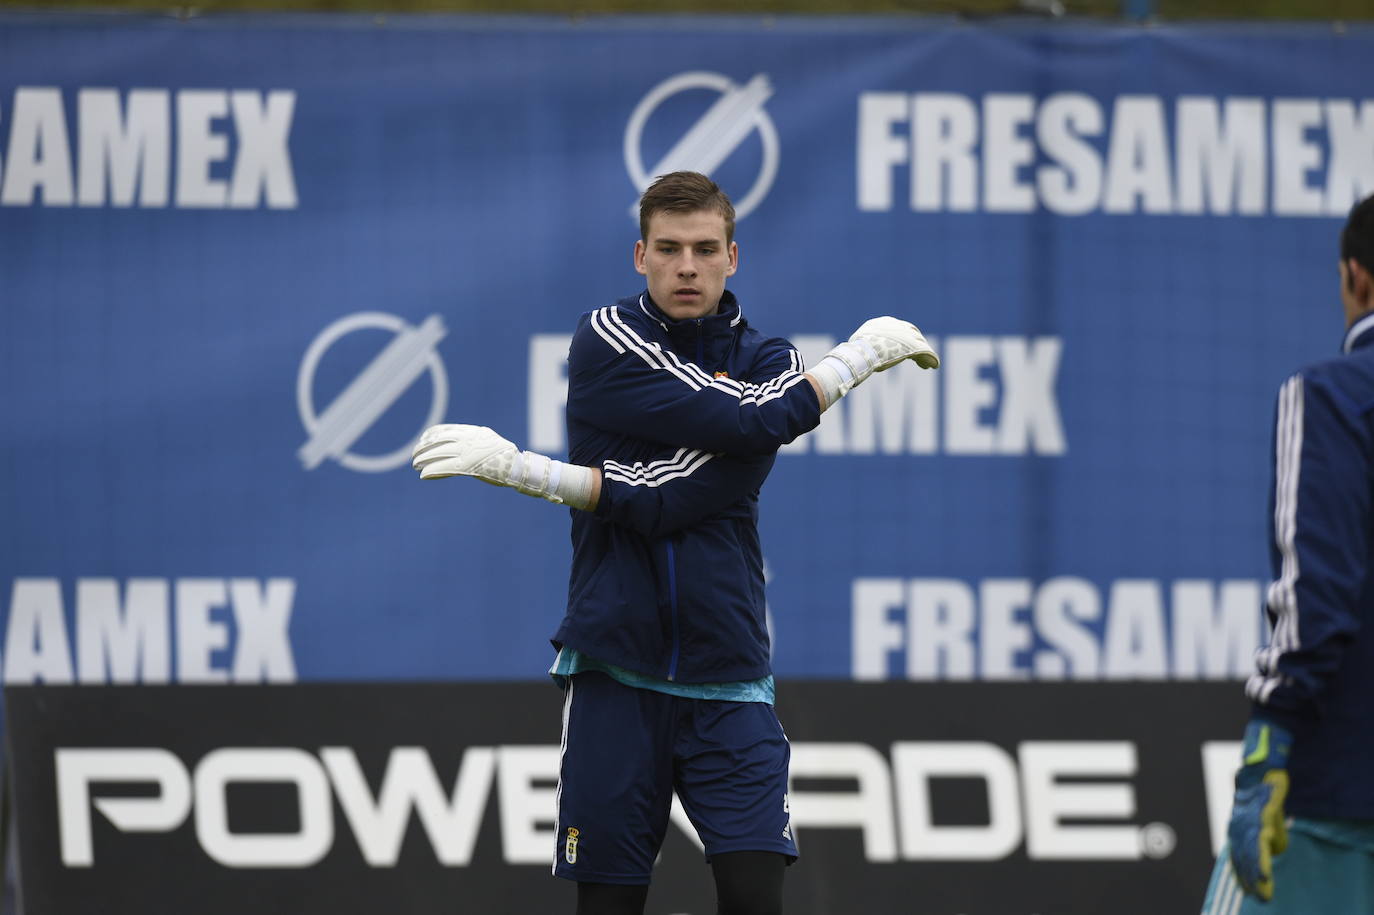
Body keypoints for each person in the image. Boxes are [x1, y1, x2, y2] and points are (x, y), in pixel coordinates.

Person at [412, 171, 939, 915]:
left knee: (756, 897)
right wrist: (851, 364)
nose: (685, 265)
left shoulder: (771, 362)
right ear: (640, 255)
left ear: (732, 256)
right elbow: (735, 440)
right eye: (667, 248)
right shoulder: (608, 338)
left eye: (702, 248)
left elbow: (684, 486)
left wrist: (529, 472)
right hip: (615, 671)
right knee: (609, 905)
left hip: (730, 675)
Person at [1201, 192, 1374, 915]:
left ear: (1354, 277)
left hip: (1334, 794)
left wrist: (1271, 739)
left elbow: (1317, 592)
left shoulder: (1333, 394)